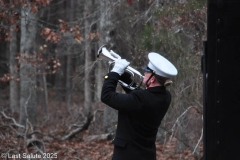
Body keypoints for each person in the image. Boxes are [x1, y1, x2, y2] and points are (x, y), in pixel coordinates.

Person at [101, 52, 177, 160]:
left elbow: (106, 96)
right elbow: (138, 95)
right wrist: (121, 73)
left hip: (127, 155)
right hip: (146, 154)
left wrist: (114, 73)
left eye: (147, 71)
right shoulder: (165, 96)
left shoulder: (140, 99)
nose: (144, 72)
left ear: (152, 79)